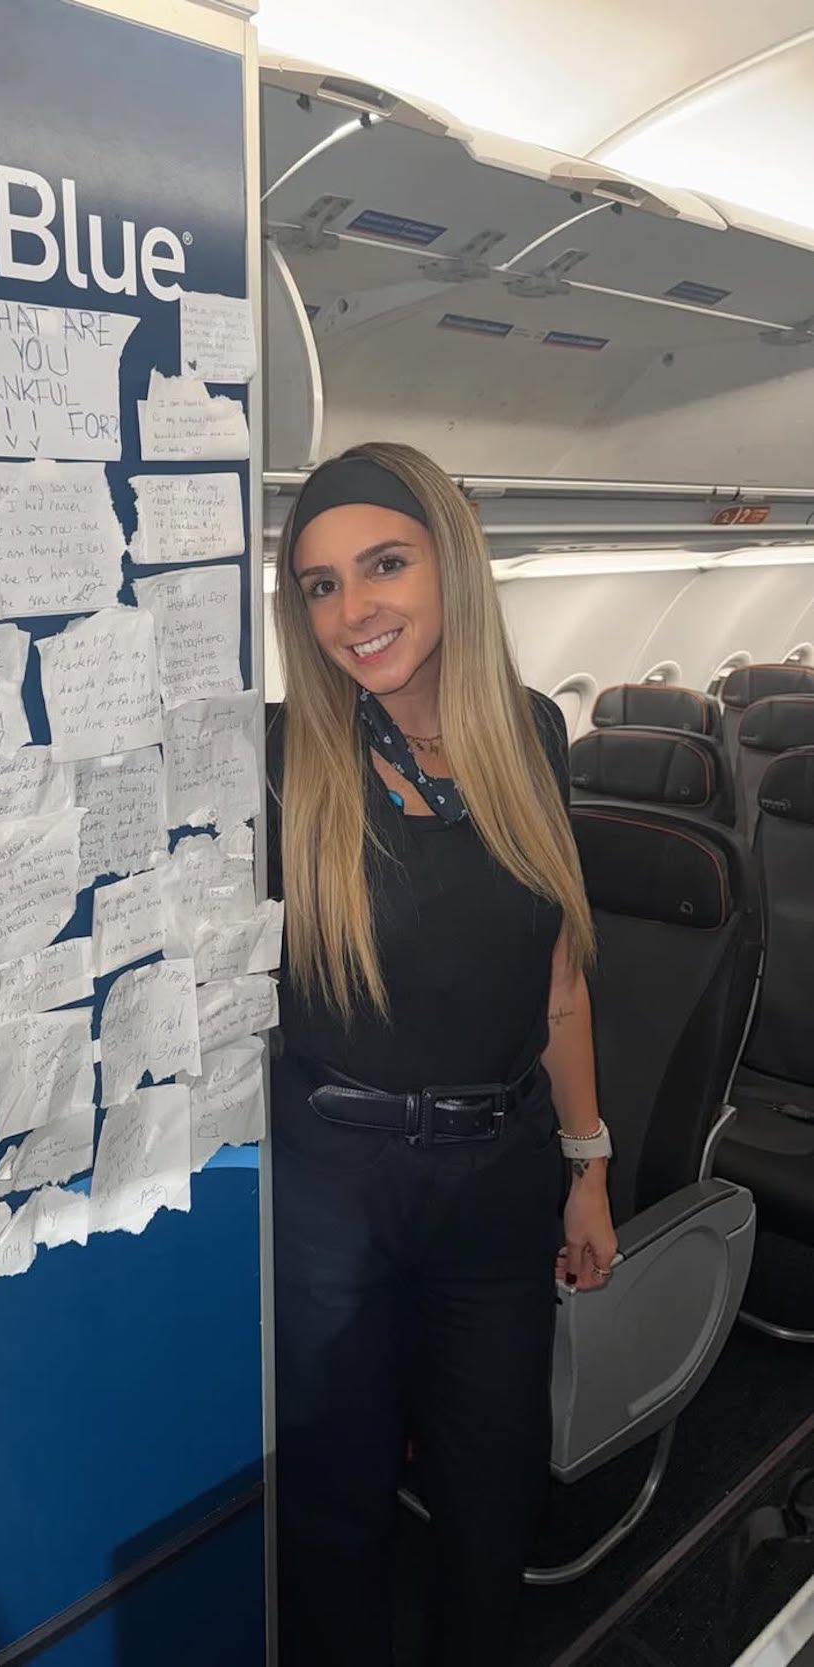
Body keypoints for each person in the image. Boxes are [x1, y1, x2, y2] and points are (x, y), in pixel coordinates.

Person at [266, 442, 618, 1666]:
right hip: (332, 1189)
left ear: (450, 564)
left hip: (498, 1177)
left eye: (381, 565)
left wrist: (585, 1165)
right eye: (317, 586)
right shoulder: (280, 764)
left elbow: (556, 978)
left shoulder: (528, 730)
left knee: (489, 1490)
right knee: (333, 1507)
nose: (351, 610)